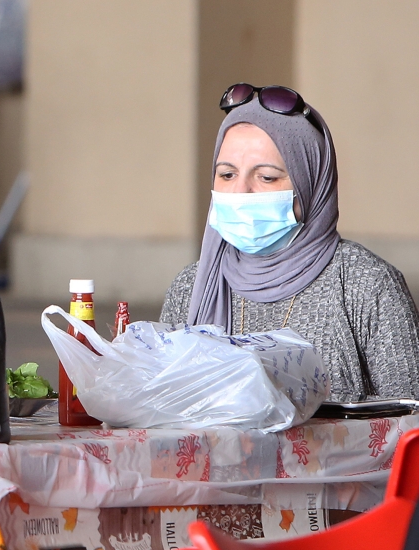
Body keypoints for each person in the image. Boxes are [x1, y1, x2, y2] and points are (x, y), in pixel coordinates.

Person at [161, 83, 419, 402]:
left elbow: (411, 423)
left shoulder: (366, 285)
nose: (240, 192)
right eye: (226, 175)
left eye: (266, 177)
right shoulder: (192, 287)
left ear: (311, 182)